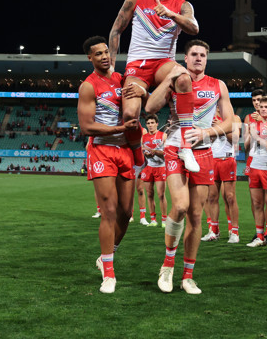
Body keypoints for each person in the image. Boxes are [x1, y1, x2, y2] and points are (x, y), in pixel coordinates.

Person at [154, 39, 234, 295]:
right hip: (176, 149)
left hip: (204, 152)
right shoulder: (178, 80)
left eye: (203, 55)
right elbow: (150, 107)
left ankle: (187, 276)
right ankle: (167, 265)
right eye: (194, 54)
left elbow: (230, 121)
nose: (199, 58)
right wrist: (169, 80)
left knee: (196, 216)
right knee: (179, 206)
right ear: (185, 58)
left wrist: (207, 132)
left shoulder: (217, 85)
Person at [109, 0, 200, 172]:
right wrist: (112, 66)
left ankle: (186, 147)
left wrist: (172, 15)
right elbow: (116, 30)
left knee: (184, 78)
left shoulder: (182, 5)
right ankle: (137, 153)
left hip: (163, 64)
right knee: (130, 115)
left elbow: (194, 28)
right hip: (137, 65)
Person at [78, 36, 140, 294]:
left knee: (126, 212)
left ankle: (106, 255)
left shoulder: (123, 80)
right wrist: (118, 129)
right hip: (102, 150)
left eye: (106, 52)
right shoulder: (88, 86)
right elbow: (86, 126)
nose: (104, 56)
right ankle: (109, 274)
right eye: (98, 54)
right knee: (110, 211)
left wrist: (143, 93)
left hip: (125, 150)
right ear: (90, 58)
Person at [244, 90, 267, 243]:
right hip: (255, 165)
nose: (262, 108)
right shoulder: (253, 124)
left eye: (266, 107)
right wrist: (248, 135)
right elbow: (246, 146)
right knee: (257, 203)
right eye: (261, 106)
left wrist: (256, 137)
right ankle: (259, 236)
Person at [203, 111, 242, 243]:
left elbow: (236, 139)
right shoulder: (208, 118)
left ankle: (235, 232)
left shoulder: (233, 118)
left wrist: (220, 127)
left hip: (227, 159)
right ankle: (214, 230)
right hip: (211, 160)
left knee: (230, 197)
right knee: (212, 197)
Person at [138, 113, 168, 227]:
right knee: (150, 194)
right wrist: (146, 154)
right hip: (148, 167)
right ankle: (153, 219)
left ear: (157, 124)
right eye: (148, 123)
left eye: (152, 123)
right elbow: (142, 152)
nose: (150, 125)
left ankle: (164, 220)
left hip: (160, 167)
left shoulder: (163, 136)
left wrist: (153, 151)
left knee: (161, 194)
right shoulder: (143, 138)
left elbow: (165, 155)